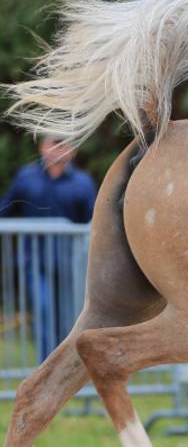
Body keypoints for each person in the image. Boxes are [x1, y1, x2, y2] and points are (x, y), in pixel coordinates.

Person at [0, 137, 97, 359]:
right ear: (42, 147)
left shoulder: (83, 183)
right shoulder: (26, 177)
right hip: (33, 262)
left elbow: (92, 224)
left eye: (64, 144)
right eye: (53, 144)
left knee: (68, 317)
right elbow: (5, 210)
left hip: (70, 265)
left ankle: (66, 368)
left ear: (73, 150)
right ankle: (48, 365)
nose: (58, 150)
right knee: (43, 311)